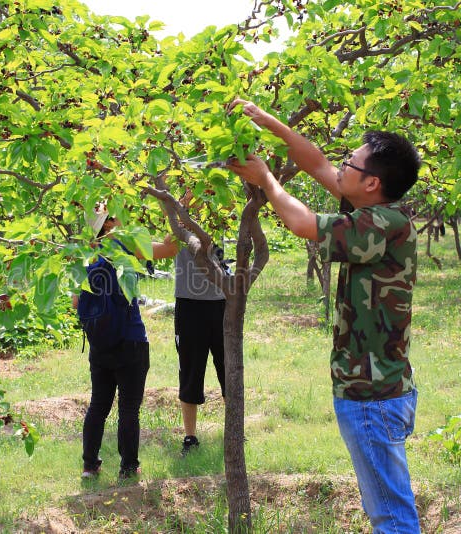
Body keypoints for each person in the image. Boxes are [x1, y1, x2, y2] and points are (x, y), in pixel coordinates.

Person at [227, 98, 422, 534]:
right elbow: (316, 162)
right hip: (377, 389)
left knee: (392, 516)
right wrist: (269, 121)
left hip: (372, 396)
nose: (341, 169)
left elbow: (304, 223)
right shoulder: (377, 210)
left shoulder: (381, 224)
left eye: (350, 165)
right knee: (389, 507)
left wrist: (267, 182)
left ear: (371, 183)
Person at [76, 207, 177, 481]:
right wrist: (182, 207)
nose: (124, 217)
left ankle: (89, 466)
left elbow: (76, 303)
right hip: (130, 340)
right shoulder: (125, 245)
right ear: (108, 224)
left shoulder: (85, 255)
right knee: (129, 409)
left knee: (98, 405)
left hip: (99, 344)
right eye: (118, 213)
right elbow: (170, 249)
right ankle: (128, 467)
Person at [169, 191, 227, 456]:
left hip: (221, 301)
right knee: (190, 371)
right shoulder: (179, 217)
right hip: (189, 303)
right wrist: (186, 203)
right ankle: (190, 437)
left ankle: (234, 431)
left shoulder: (222, 208)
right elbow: (170, 241)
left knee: (229, 369)